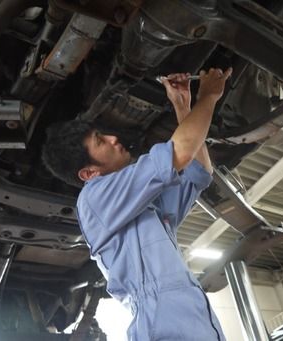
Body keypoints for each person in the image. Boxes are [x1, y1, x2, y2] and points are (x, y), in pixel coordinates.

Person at [42, 67, 233, 340]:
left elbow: (199, 173)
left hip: (186, 313)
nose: (113, 138)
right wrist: (209, 97)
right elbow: (181, 151)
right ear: (88, 173)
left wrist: (183, 106)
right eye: (100, 141)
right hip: (163, 320)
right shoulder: (95, 199)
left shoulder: (141, 206)